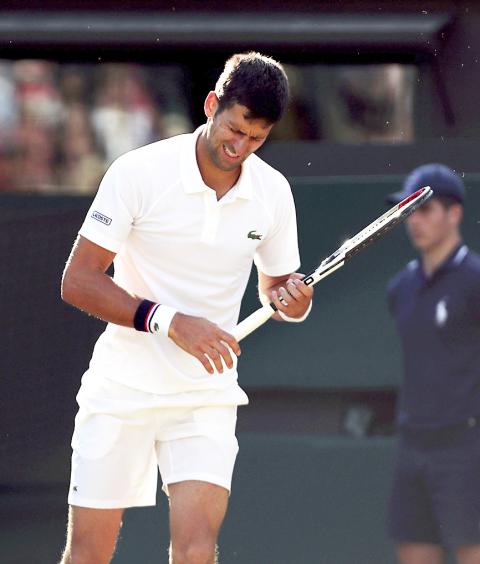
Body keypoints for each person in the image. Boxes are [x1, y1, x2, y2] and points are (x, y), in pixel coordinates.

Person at [60, 52, 313, 564]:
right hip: (122, 387)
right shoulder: (138, 172)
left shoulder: (273, 192)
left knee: (196, 551)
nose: (240, 147)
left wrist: (294, 302)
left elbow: (277, 290)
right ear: (212, 104)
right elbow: (78, 281)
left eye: (257, 138)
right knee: (88, 554)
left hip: (205, 393)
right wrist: (170, 322)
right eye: (235, 129)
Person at [385, 163, 480, 564]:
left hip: (467, 445)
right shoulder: (400, 288)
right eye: (409, 211)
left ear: (454, 214)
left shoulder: (475, 279)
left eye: (424, 209)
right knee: (413, 548)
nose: (415, 221)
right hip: (413, 443)